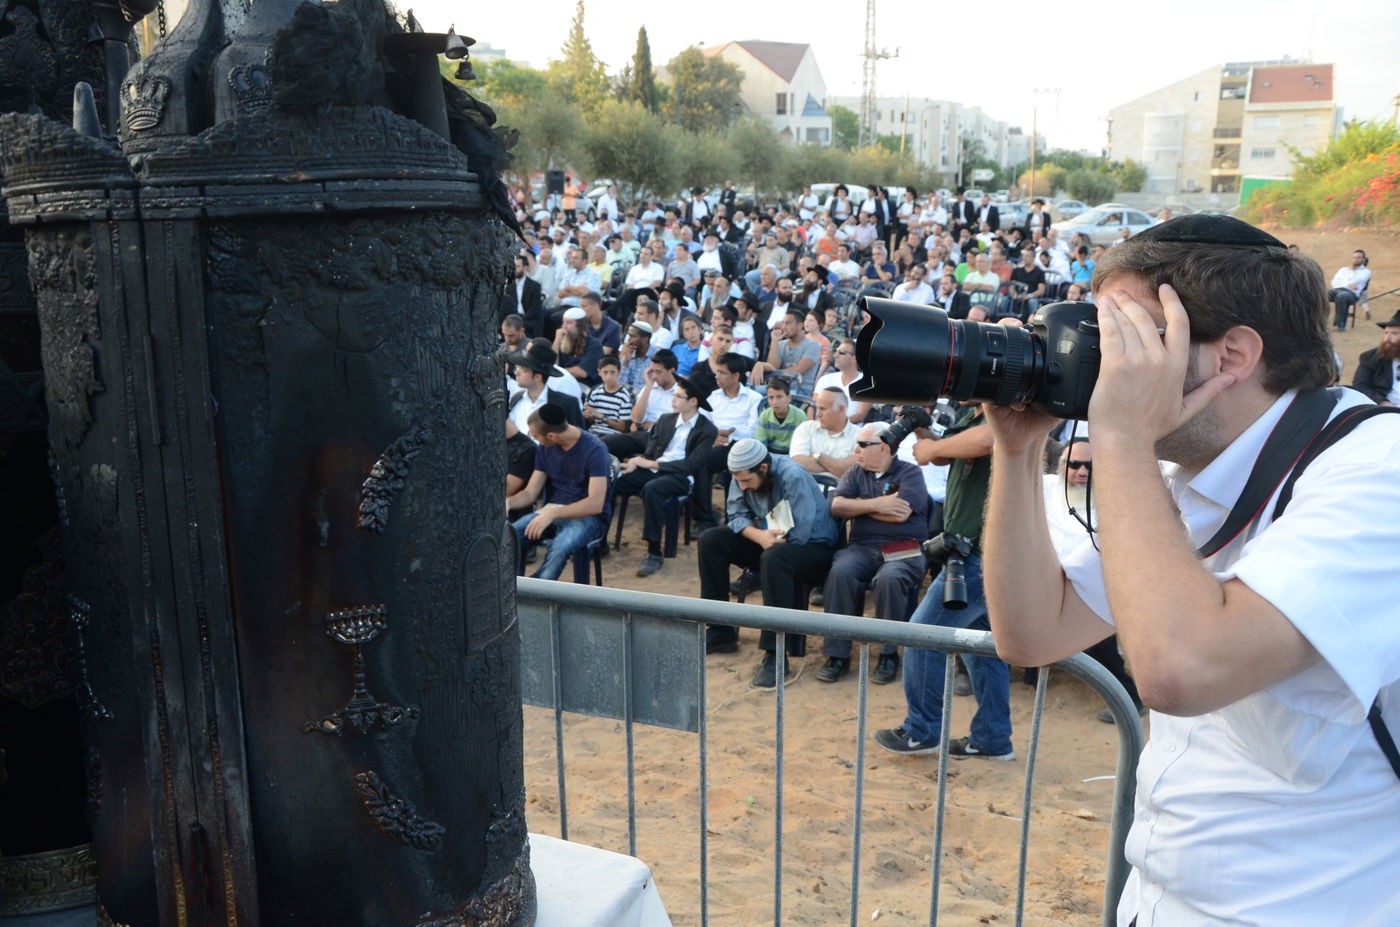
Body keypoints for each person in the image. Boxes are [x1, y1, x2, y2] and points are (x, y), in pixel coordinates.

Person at [982, 215, 1400, 925]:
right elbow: (1033, 631)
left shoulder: (1376, 472)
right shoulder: (1190, 479)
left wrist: (1117, 434)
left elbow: (1181, 666)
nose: (1102, 363)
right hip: (1158, 901)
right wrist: (1018, 450)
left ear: (1231, 355)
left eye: (1130, 338)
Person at [873, 401, 1014, 761]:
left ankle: (922, 732)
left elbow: (986, 441)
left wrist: (931, 445)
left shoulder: (1009, 408)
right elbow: (946, 455)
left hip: (983, 554)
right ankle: (992, 739)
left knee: (922, 636)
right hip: (972, 551)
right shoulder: (972, 413)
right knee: (984, 649)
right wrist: (924, 431)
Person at [698, 439, 839, 687]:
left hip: (812, 547)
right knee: (711, 540)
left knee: (774, 558)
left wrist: (767, 541)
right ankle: (721, 630)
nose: (742, 486)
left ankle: (775, 653)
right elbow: (736, 516)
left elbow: (800, 534)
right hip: (769, 537)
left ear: (763, 469)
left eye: (746, 481)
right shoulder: (742, 473)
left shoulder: (792, 475)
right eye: (737, 480)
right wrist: (760, 537)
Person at [817, 422, 930, 685]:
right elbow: (836, 506)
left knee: (889, 578)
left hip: (905, 547)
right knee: (841, 572)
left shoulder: (910, 473)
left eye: (862, 445)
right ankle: (837, 655)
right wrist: (880, 504)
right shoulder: (856, 473)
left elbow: (901, 514)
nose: (855, 449)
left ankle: (888, 654)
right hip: (863, 547)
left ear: (883, 447)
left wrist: (858, 507)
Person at [614, 376, 719, 578]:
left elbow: (691, 465)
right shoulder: (665, 419)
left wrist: (652, 463)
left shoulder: (707, 429)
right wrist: (637, 462)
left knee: (653, 489)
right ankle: (600, 543)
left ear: (693, 401)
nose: (673, 399)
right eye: (674, 395)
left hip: (681, 476)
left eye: (678, 396)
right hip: (654, 469)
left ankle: (654, 552)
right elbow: (650, 451)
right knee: (616, 478)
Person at [508, 404, 611, 581]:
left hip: (589, 517)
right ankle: (512, 586)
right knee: (510, 536)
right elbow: (531, 492)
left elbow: (595, 503)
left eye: (536, 436)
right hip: (553, 510)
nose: (534, 439)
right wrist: (508, 502)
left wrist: (552, 514)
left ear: (552, 436)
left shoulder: (595, 450)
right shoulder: (544, 447)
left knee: (559, 547)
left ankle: (538, 591)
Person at [506, 338, 584, 438]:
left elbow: (578, 439)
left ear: (537, 377)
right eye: (518, 368)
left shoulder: (566, 403)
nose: (516, 372)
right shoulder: (516, 399)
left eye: (524, 370)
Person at [789, 386, 860, 480]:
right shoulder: (805, 428)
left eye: (823, 409)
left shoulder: (860, 436)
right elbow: (798, 463)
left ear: (841, 409)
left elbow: (852, 472)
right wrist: (838, 467)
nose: (818, 414)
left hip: (838, 493)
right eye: (817, 408)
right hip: (805, 490)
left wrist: (818, 457)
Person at [750, 308, 820, 398]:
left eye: (788, 323)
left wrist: (774, 373)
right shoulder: (781, 344)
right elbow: (773, 366)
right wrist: (774, 341)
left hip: (800, 390)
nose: (783, 327)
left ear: (800, 325)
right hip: (777, 388)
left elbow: (797, 371)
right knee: (752, 392)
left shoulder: (813, 346)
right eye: (783, 323)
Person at [1351, 309, 1400, 405]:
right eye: (1386, 333)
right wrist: (1383, 402)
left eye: (1394, 333)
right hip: (1384, 411)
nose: (1387, 339)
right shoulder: (1370, 358)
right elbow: (1361, 386)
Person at [584, 354, 635, 437]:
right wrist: (589, 413)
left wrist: (601, 416)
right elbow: (590, 422)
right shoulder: (595, 392)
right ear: (599, 372)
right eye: (605, 372)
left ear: (619, 372)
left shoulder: (624, 396)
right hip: (593, 432)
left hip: (612, 435)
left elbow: (622, 428)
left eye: (612, 372)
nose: (608, 376)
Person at [553, 307, 603, 386]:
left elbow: (582, 372)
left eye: (568, 323)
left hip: (584, 387)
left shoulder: (594, 345)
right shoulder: (562, 341)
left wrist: (557, 372)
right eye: (563, 322)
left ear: (580, 326)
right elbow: (553, 364)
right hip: (563, 384)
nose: (564, 326)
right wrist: (557, 341)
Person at [754, 377, 807, 454]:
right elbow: (761, 445)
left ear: (789, 398)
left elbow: (802, 447)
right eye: (771, 397)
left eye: (779, 397)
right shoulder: (764, 416)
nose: (775, 402)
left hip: (792, 455)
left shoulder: (800, 416)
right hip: (769, 455)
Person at [502, 253, 545, 336]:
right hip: (513, 319)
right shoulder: (509, 285)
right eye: (514, 266)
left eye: (518, 266)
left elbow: (535, 308)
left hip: (530, 320)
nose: (515, 269)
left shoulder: (535, 286)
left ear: (525, 267)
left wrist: (520, 319)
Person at [1329, 248, 1372, 330]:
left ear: (1363, 259)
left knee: (1342, 296)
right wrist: (1348, 284)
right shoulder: (1343, 269)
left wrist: (1344, 282)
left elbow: (1358, 281)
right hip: (1337, 290)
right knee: (1321, 293)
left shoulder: (1366, 272)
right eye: (1354, 257)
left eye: (1359, 257)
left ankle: (1341, 325)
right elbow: (1334, 282)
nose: (1356, 259)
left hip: (1352, 294)